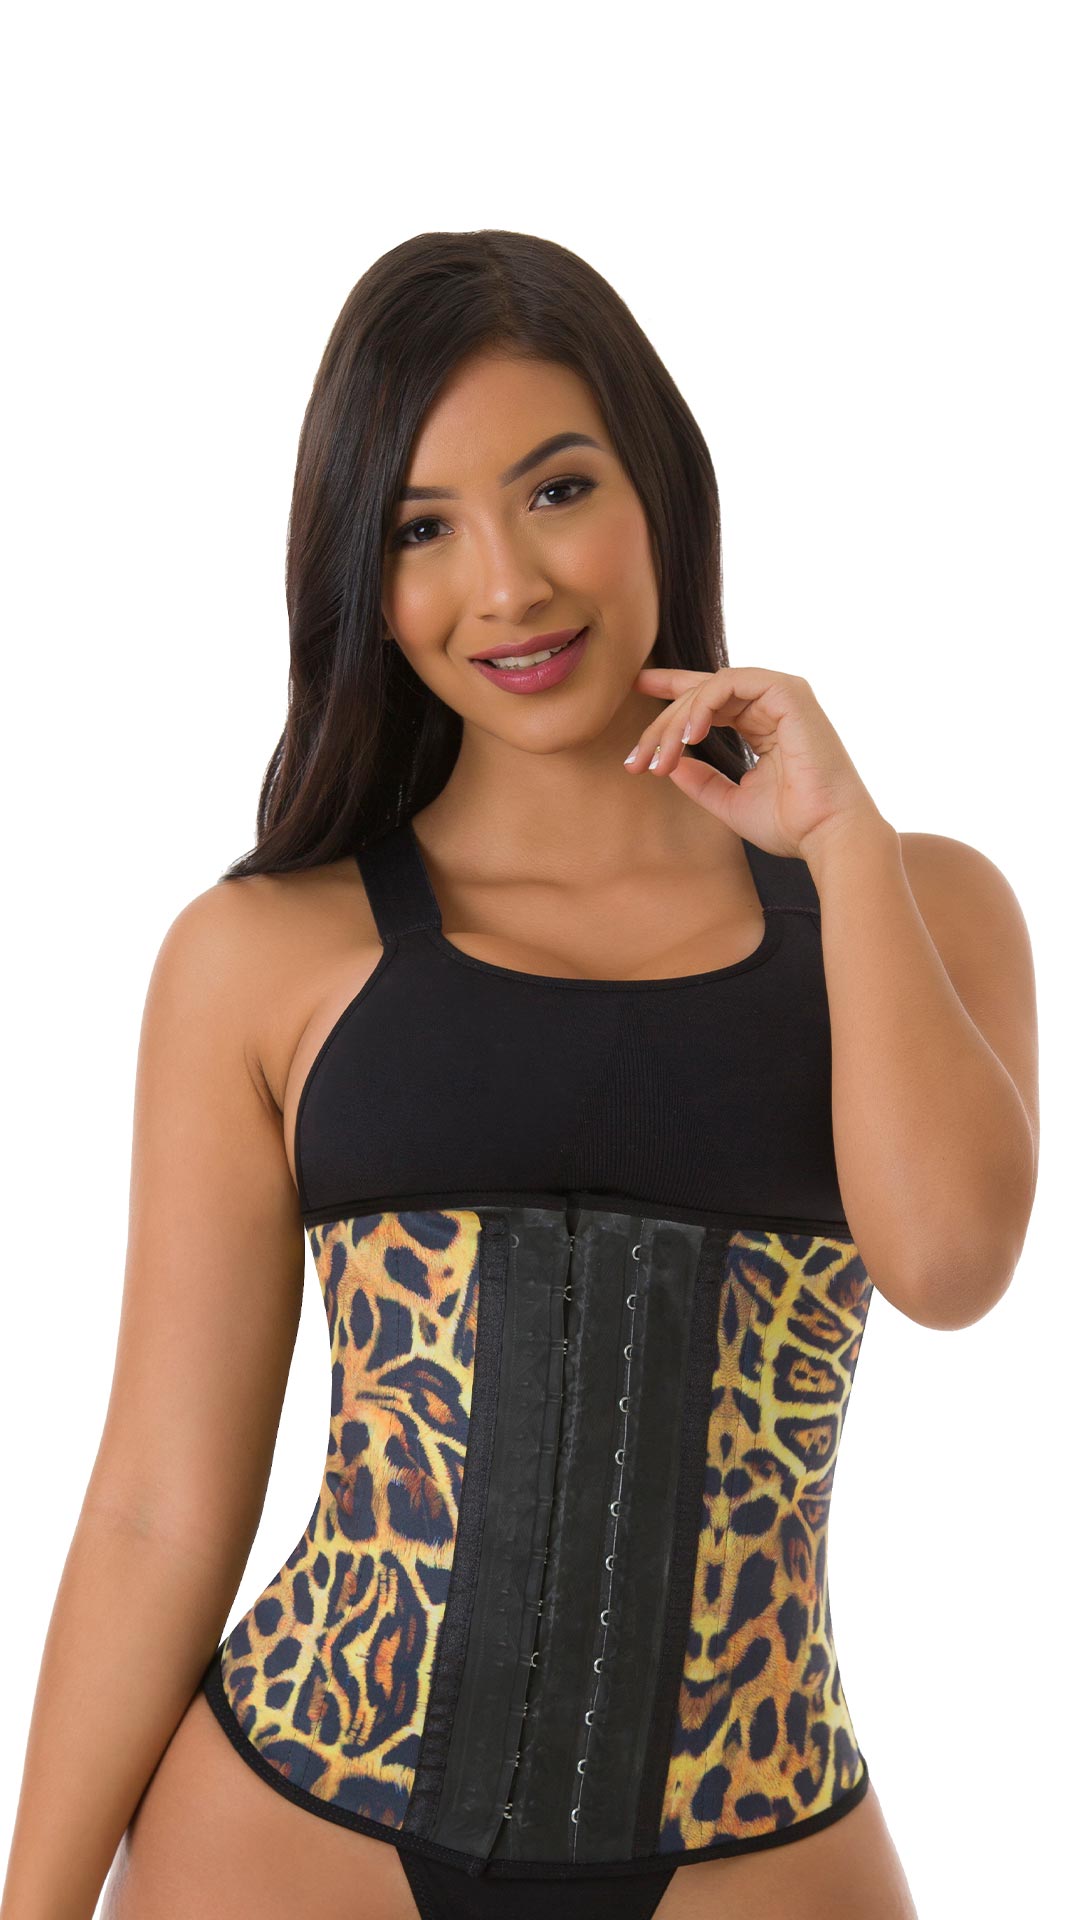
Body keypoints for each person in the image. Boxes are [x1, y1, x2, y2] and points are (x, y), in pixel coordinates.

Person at [2, 231, 1038, 1920]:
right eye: (422, 529)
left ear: (660, 489)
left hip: (756, 1845)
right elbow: (155, 1514)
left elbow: (951, 1265)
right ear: (364, 576)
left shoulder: (917, 907)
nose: (506, 586)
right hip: (296, 1835)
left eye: (557, 490)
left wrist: (844, 842)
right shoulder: (265, 955)